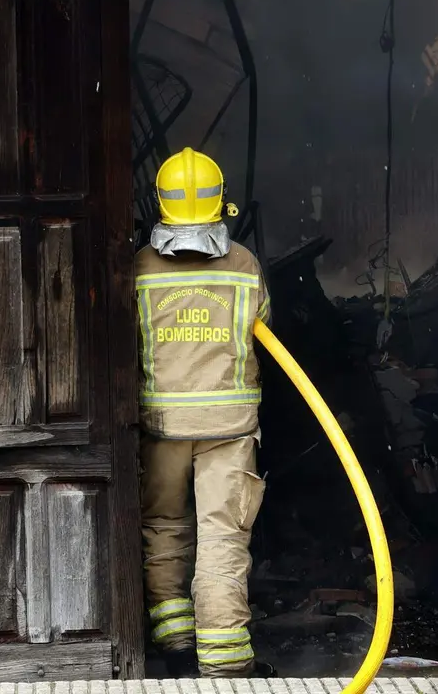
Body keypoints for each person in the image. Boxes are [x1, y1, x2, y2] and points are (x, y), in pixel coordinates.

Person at [136, 147, 273, 679]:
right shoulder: (242, 264)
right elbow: (264, 324)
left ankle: (173, 638)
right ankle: (225, 660)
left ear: (161, 203)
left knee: (165, 526)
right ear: (221, 202)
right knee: (222, 536)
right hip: (230, 429)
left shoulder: (140, 267)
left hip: (163, 427)